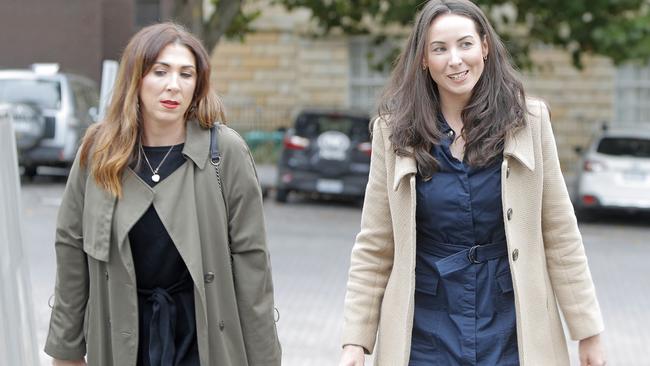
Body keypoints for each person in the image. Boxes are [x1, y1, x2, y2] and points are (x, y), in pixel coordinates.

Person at [339, 1, 606, 365]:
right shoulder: (393, 131)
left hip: (511, 322)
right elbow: (375, 244)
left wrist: (588, 332)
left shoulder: (529, 121)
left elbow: (560, 234)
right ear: (423, 60)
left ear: (484, 47)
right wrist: (355, 341)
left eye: (465, 44)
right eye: (439, 49)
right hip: (427, 326)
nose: (455, 60)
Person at [44, 22, 281, 366]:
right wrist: (66, 352)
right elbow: (71, 251)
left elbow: (253, 265)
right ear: (136, 78)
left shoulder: (225, 153)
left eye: (187, 74)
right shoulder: (98, 151)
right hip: (118, 335)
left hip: (202, 337)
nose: (174, 85)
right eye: (160, 71)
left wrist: (265, 359)